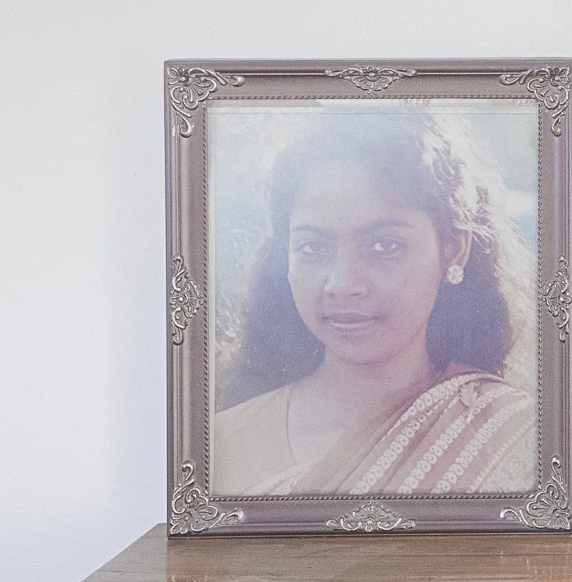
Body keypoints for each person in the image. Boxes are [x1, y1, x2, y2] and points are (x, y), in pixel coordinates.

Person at [213, 108, 537, 496]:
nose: (343, 284)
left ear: (453, 251)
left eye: (385, 246)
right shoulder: (223, 443)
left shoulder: (514, 436)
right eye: (313, 247)